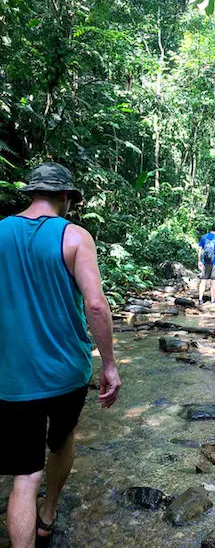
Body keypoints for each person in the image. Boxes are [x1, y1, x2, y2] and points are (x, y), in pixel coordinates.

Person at [0, 162, 121, 548]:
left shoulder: (0, 233)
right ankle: (48, 513)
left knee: (24, 476)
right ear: (66, 197)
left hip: (12, 375)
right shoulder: (75, 236)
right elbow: (96, 306)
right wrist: (109, 363)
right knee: (62, 439)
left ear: (32, 193)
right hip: (67, 371)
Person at [198, 221, 215, 305]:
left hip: (205, 261)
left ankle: (200, 299)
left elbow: (199, 249)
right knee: (214, 281)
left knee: (203, 280)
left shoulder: (204, 237)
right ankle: (213, 300)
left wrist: (199, 261)